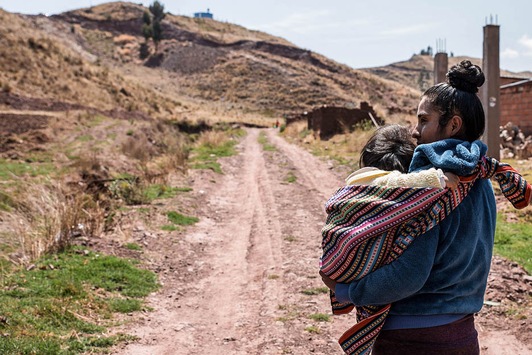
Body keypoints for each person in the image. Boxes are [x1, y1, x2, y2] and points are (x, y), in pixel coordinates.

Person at [320, 60, 531, 355]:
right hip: (461, 333)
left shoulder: (435, 181)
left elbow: (409, 273)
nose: (416, 132)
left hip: (414, 338)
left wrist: (346, 290)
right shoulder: (482, 177)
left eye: (423, 120)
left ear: (453, 124)